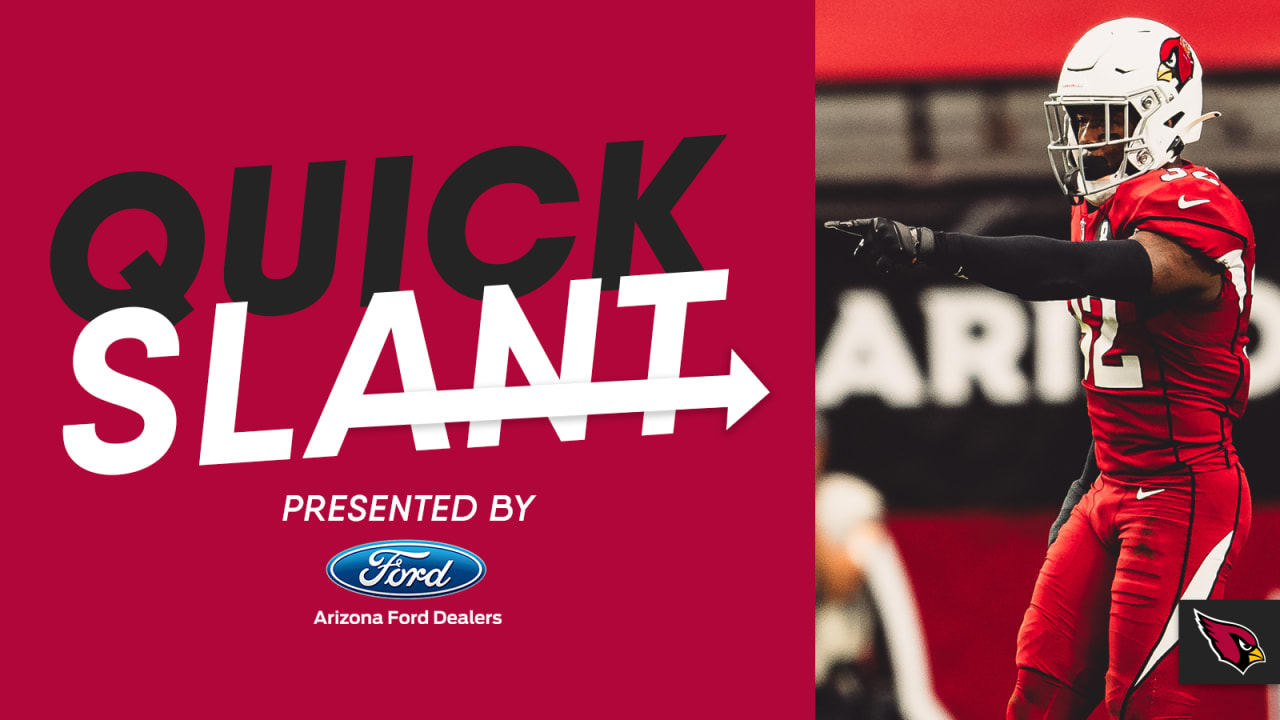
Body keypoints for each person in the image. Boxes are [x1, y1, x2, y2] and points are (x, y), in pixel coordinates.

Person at [826, 18, 1254, 720]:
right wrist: (1085, 481)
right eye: (1080, 121)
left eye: (1103, 122)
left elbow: (1087, 270)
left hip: (1183, 492)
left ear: (1164, 113)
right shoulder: (1098, 207)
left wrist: (938, 247)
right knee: (1041, 695)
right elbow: (1121, 382)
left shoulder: (1197, 205)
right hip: (1114, 483)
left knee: (1143, 704)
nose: (1085, 140)